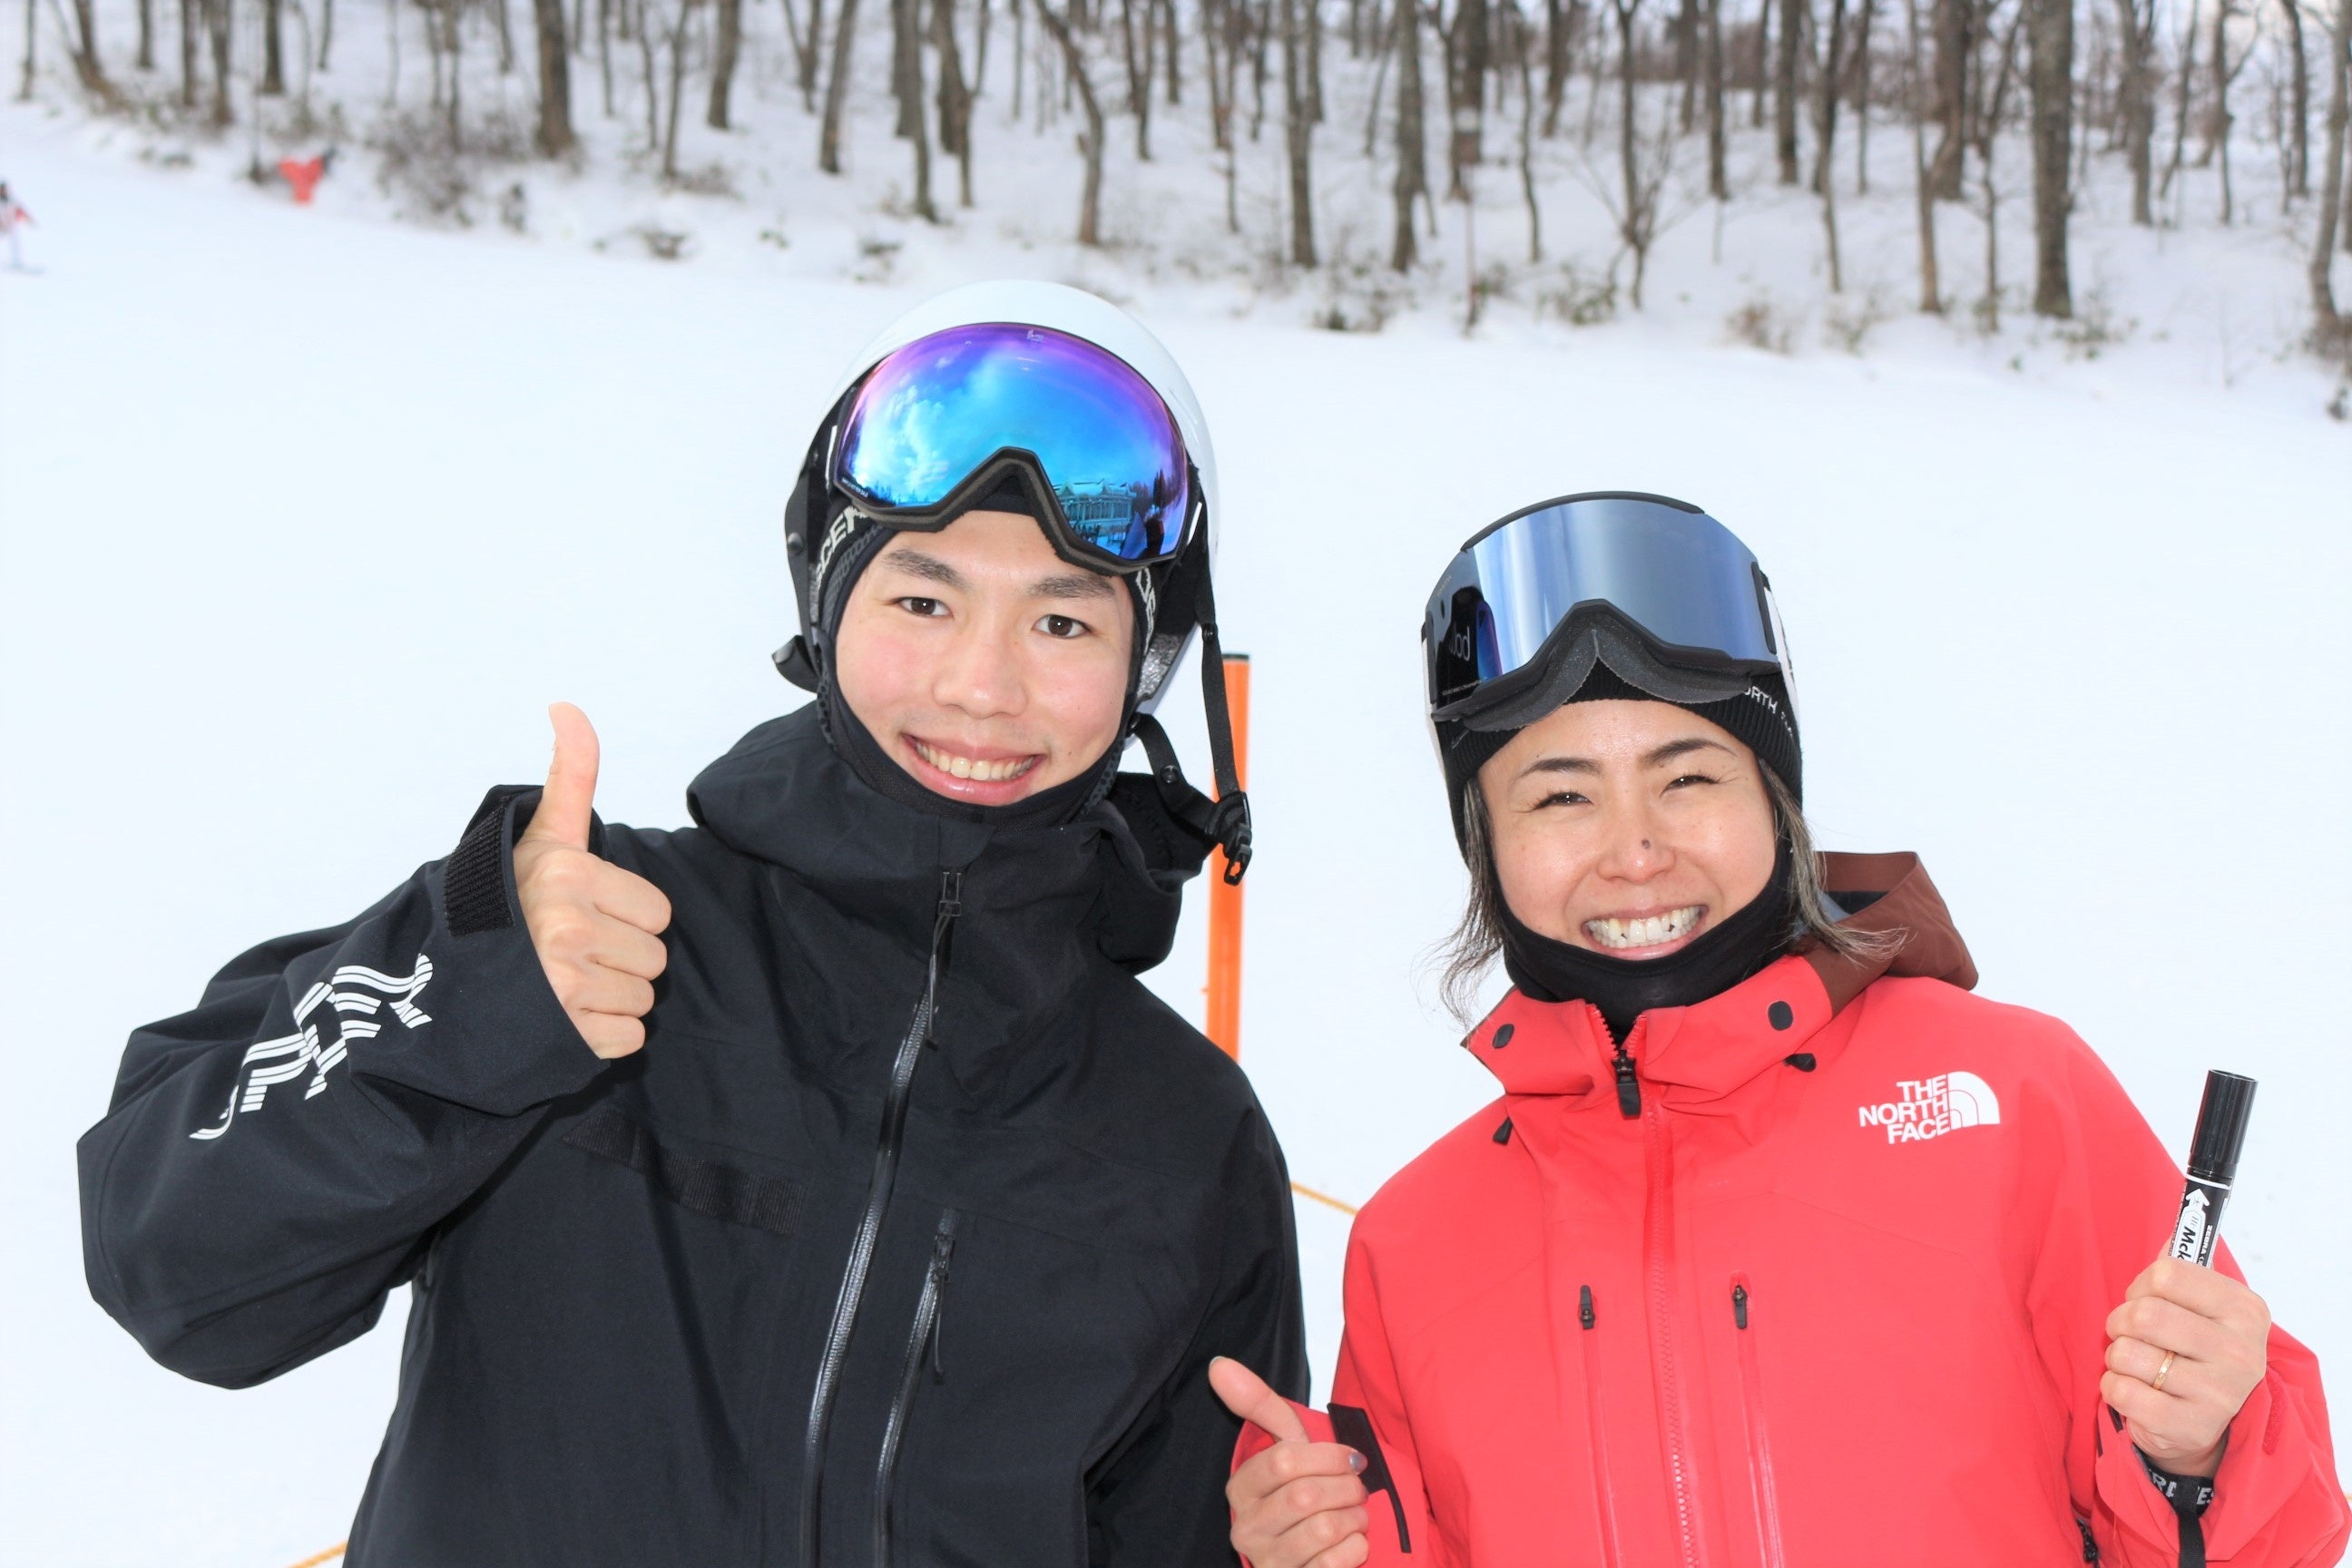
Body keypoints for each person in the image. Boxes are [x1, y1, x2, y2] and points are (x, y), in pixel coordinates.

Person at [79, 281, 1307, 1567]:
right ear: (827, 609)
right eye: (923, 601)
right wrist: (472, 987)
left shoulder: (1187, 1139)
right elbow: (173, 1264)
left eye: (1061, 620)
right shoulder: (591, 932)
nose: (980, 687)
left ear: (1145, 665)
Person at [1211, 493, 2347, 1568]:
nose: (1636, 849)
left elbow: (2278, 1538)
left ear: (1777, 802)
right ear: (1489, 851)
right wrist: (1328, 1541)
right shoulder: (1415, 1244)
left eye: (1688, 776)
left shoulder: (2007, 1099)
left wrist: (2201, 1453)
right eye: (1561, 795)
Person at [1, 181, 32, 270]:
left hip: (11, 226)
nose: (4, 191)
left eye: (5, 189)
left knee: (15, 243)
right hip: (1, 226)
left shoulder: (12, 201)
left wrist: (28, 219)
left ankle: (17, 263)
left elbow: (20, 211)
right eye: (2, 189)